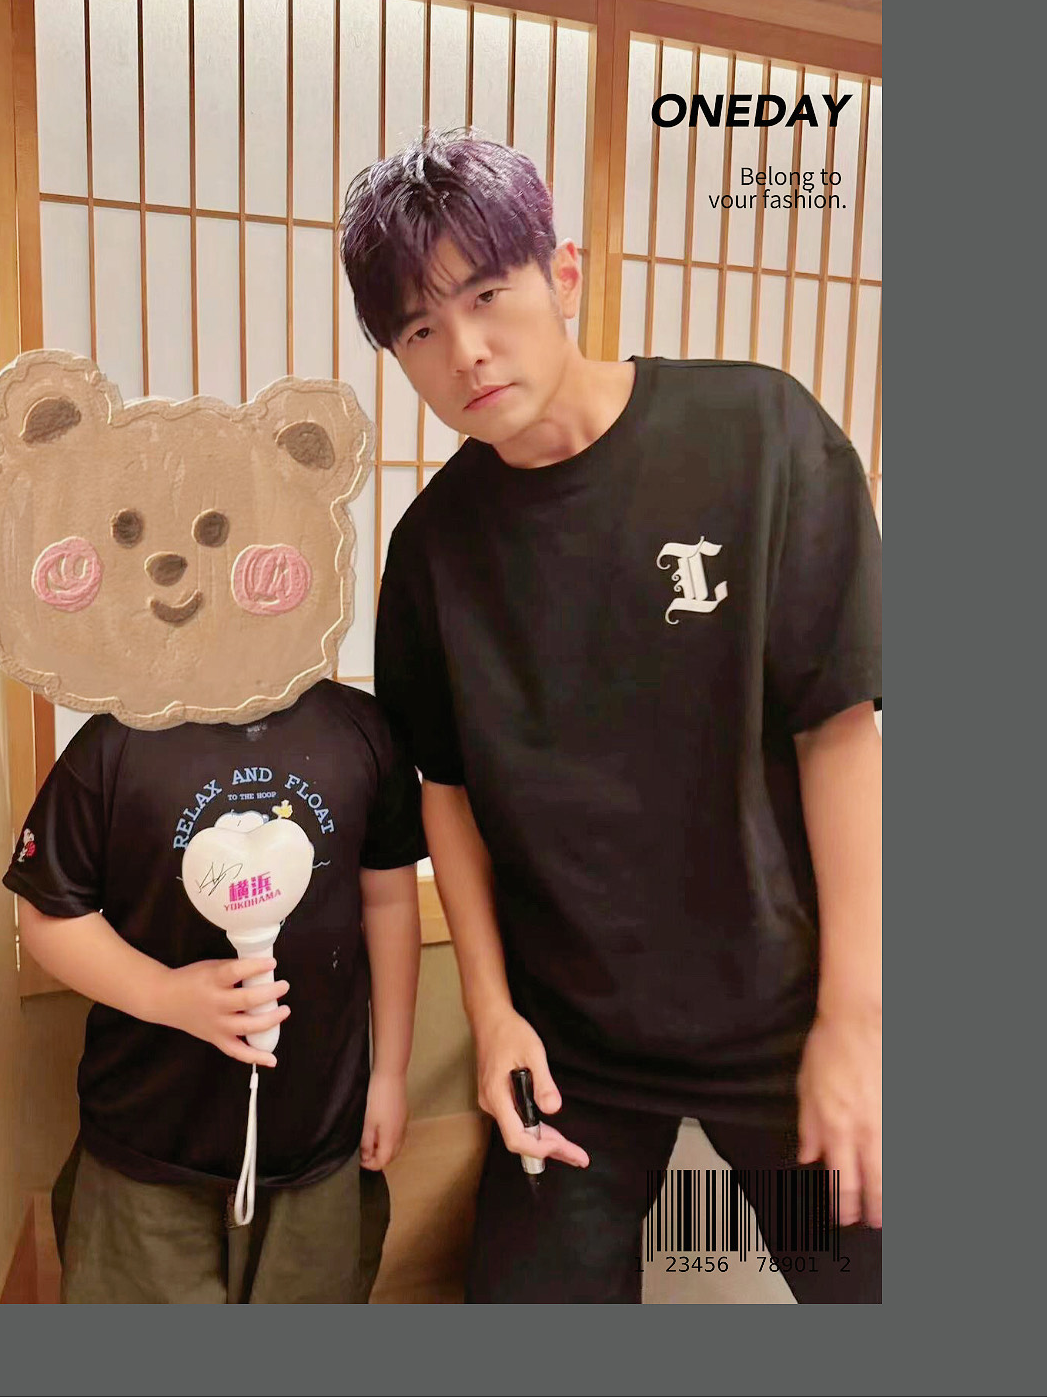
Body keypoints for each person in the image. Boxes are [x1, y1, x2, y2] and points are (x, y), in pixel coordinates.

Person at [341, 130, 882, 1304]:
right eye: (418, 330)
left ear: (564, 274)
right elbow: (446, 791)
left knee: (868, 1284)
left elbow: (836, 729)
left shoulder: (758, 436)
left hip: (778, 1025)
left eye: (486, 295)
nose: (465, 351)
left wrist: (854, 1021)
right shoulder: (433, 552)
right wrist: (491, 1015)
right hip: (573, 1051)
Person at [4, 681, 425, 1304]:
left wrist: (389, 1073)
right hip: (149, 1146)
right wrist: (164, 994)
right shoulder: (116, 741)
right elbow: (48, 913)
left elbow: (390, 902)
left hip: (319, 1140)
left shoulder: (360, 729)